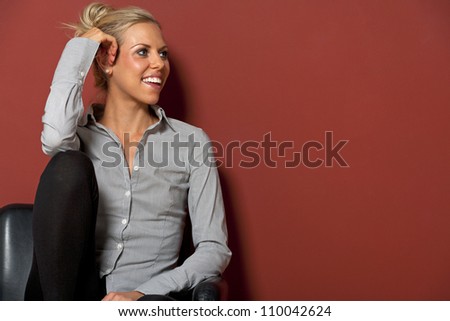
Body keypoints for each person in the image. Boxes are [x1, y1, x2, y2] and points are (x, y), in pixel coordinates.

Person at [25, 2, 231, 301]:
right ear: (108, 63)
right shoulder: (77, 137)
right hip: (71, 294)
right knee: (67, 165)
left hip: (146, 300)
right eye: (142, 52)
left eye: (163, 53)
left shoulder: (192, 142)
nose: (159, 64)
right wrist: (81, 48)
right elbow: (54, 138)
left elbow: (214, 249)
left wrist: (140, 293)